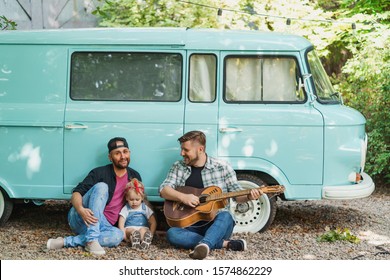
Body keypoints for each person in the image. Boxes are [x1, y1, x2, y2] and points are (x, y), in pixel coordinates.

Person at [159, 130, 262, 260]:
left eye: (186, 150)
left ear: (200, 149)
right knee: (172, 233)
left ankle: (205, 244)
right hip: (189, 225)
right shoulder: (178, 167)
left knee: (225, 215)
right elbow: (163, 190)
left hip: (217, 224)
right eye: (182, 149)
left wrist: (249, 196)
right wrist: (184, 197)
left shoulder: (223, 168)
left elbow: (237, 195)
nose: (181, 153)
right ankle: (222, 244)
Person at [46, 137, 142, 255]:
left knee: (118, 235)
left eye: (125, 152)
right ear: (110, 157)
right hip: (82, 218)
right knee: (102, 187)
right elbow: (77, 193)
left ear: (129, 153)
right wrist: (81, 210)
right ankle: (91, 240)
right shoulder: (99, 172)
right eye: (117, 153)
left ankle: (65, 241)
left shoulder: (134, 176)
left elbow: (137, 205)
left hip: (104, 225)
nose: (123, 156)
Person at [118, 178, 157, 250]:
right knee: (131, 231)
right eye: (131, 199)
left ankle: (144, 240)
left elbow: (153, 222)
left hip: (143, 227)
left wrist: (151, 233)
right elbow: (121, 222)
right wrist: (124, 236)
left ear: (142, 198)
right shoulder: (126, 208)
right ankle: (135, 239)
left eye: (137, 199)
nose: (134, 202)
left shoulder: (145, 208)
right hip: (130, 228)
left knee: (143, 230)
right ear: (126, 198)